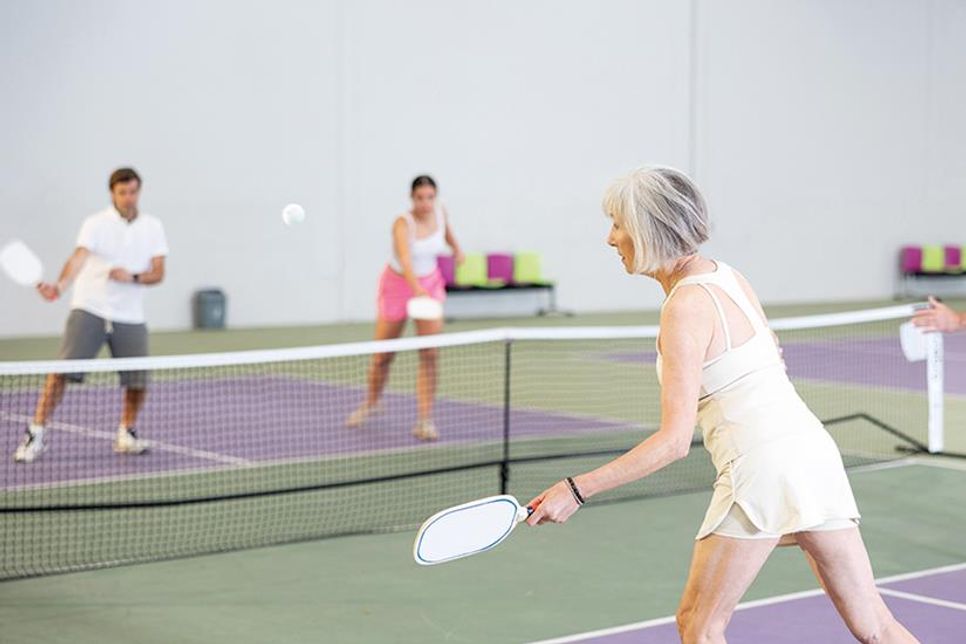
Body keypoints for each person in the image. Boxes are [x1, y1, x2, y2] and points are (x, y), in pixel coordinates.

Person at [525, 166, 918, 644]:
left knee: (699, 625)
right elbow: (772, 353)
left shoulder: (684, 309)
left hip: (761, 470)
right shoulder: (728, 277)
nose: (610, 239)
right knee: (876, 625)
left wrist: (576, 489)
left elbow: (672, 443)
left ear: (650, 228)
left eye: (618, 224)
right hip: (812, 453)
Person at [14, 167, 168, 463]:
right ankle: (35, 433)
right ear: (112, 193)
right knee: (60, 374)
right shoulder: (95, 224)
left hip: (130, 315)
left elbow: (159, 273)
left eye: (133, 191)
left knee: (138, 381)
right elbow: (78, 258)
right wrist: (59, 285)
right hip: (91, 307)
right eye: (122, 192)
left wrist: (133, 277)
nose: (128, 197)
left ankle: (126, 432)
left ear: (140, 191)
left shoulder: (153, 226)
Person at [346, 175, 464, 441]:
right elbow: (405, 260)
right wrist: (416, 289)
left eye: (430, 197)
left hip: (430, 285)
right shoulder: (403, 223)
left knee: (430, 354)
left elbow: (447, 233)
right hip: (398, 286)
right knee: (382, 356)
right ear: (412, 198)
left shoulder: (440, 212)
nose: (425, 203)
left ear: (435, 197)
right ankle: (372, 402)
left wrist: (457, 249)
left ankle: (425, 420)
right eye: (420, 198)